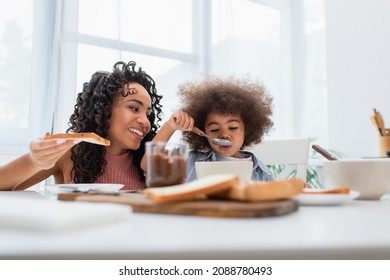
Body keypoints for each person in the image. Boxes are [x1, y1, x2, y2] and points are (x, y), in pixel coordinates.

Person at [0, 60, 163, 191]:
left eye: (148, 114)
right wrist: (35, 160)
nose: (145, 121)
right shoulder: (70, 153)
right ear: (103, 109)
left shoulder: (145, 162)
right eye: (134, 108)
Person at [141, 75, 274, 182]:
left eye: (233, 127)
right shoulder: (190, 161)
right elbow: (149, 166)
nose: (224, 135)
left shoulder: (262, 173)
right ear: (202, 131)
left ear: (248, 128)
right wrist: (170, 126)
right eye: (215, 129)